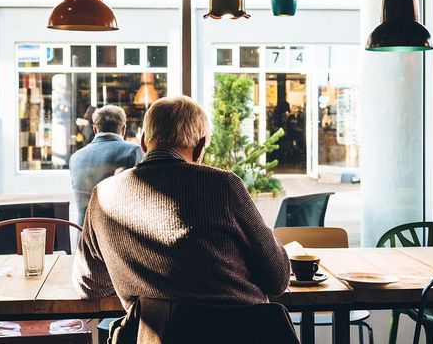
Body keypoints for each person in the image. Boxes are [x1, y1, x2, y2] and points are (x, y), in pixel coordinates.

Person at [72, 95, 290, 310]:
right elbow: (277, 278)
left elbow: (89, 286)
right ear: (200, 146)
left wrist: (133, 270)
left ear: (143, 142)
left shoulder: (103, 196)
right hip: (241, 332)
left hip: (155, 336)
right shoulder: (223, 185)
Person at [69, 104, 143, 226]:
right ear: (123, 129)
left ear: (94, 129)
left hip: (83, 236)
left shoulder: (75, 157)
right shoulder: (132, 151)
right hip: (116, 237)